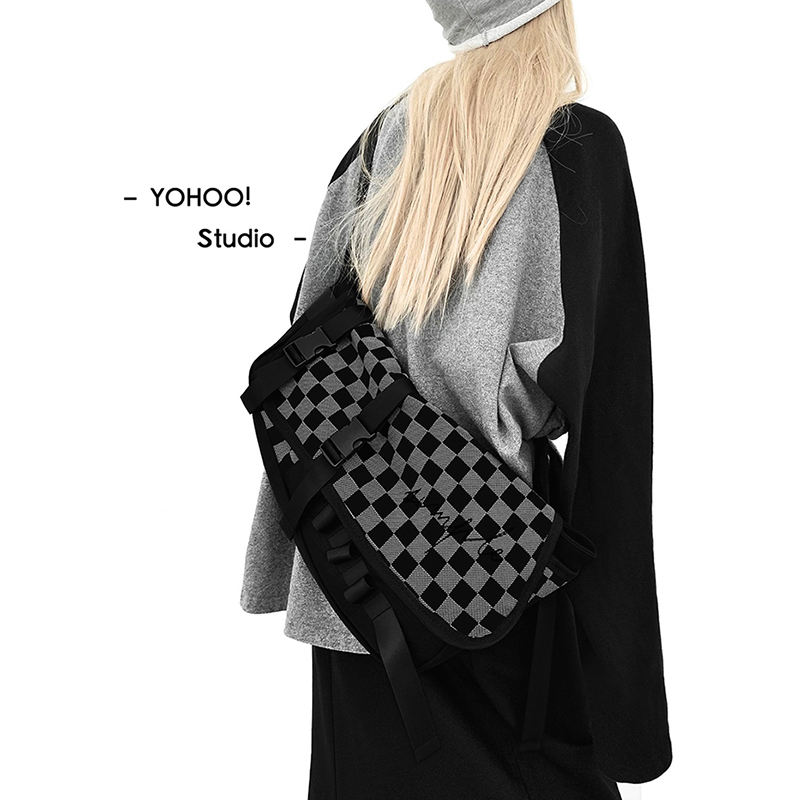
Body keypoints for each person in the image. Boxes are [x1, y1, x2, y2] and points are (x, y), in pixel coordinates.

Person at [240, 1, 673, 797]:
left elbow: (304, 359)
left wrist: (287, 554)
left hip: (352, 577)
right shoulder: (574, 148)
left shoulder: (379, 142)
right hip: (493, 578)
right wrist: (626, 701)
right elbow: (613, 425)